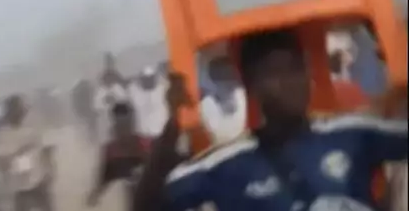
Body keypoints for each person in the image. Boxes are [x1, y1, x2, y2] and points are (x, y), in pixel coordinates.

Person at [133, 28, 407, 211]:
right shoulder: (226, 164)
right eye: (275, 73)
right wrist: (172, 124)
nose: (291, 82)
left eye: (295, 68)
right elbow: (146, 204)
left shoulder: (352, 134)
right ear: (252, 85)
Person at [0, 95, 56, 211]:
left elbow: (47, 149)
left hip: (38, 179)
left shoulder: (34, 126)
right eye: (18, 109)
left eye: (22, 109)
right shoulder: (2, 135)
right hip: (18, 186)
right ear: (9, 112)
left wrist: (50, 169)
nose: (21, 112)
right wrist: (17, 154)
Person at [86, 102, 152, 210]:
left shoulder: (148, 145)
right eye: (120, 124)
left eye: (126, 124)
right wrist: (95, 194)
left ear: (133, 124)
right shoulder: (111, 151)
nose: (123, 129)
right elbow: (104, 178)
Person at [128, 66, 169, 142]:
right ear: (141, 79)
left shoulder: (162, 89)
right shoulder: (134, 92)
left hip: (160, 133)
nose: (148, 80)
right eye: (146, 78)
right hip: (141, 134)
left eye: (150, 78)